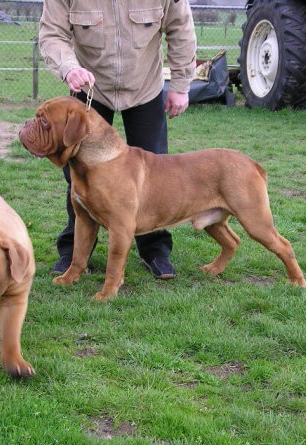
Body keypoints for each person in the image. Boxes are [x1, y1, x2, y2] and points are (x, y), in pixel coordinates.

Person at [39, 0, 196, 279]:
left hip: (144, 87)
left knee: (156, 173)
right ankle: (74, 253)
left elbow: (180, 28)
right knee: (77, 174)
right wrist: (68, 67)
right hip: (89, 90)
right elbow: (53, 34)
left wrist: (181, 85)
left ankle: (155, 249)